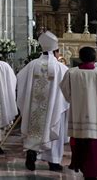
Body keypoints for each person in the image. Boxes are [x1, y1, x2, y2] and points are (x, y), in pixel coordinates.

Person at [60, 46, 97, 179]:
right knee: (95, 144)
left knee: (80, 142)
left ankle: (83, 167)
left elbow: (65, 91)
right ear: (94, 57)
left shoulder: (71, 73)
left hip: (78, 114)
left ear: (80, 57)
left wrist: (73, 100)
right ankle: (93, 170)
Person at [17, 31, 69, 172]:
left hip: (33, 109)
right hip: (54, 108)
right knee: (53, 127)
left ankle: (32, 153)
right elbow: (67, 89)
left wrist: (26, 101)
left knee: (34, 129)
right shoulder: (61, 68)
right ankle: (54, 162)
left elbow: (20, 81)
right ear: (56, 51)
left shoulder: (32, 65)